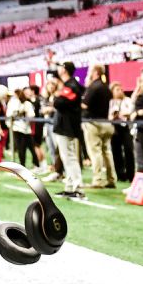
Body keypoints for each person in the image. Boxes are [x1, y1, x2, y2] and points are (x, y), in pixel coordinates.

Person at [51, 61, 85, 199]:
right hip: (66, 126)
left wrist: (57, 96)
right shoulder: (70, 85)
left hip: (67, 126)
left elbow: (58, 102)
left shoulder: (71, 85)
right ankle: (70, 186)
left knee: (69, 157)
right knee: (67, 157)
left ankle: (77, 187)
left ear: (64, 70)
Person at [81, 64, 114, 189]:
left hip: (93, 123)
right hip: (106, 122)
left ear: (95, 72)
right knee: (107, 152)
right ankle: (111, 179)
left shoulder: (93, 86)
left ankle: (98, 179)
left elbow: (84, 105)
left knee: (95, 152)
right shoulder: (106, 87)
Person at [108, 82, 134, 182]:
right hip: (115, 128)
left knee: (128, 150)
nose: (119, 91)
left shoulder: (127, 100)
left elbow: (131, 111)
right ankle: (120, 174)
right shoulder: (111, 102)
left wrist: (122, 114)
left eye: (120, 89)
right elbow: (109, 116)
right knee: (116, 151)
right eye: (117, 90)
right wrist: (113, 115)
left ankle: (131, 174)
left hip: (125, 127)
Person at [6, 88, 37, 167]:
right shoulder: (12, 103)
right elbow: (9, 115)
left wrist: (24, 112)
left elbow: (31, 115)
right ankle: (22, 166)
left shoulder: (27, 103)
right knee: (21, 149)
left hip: (26, 129)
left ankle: (37, 164)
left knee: (31, 148)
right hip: (17, 129)